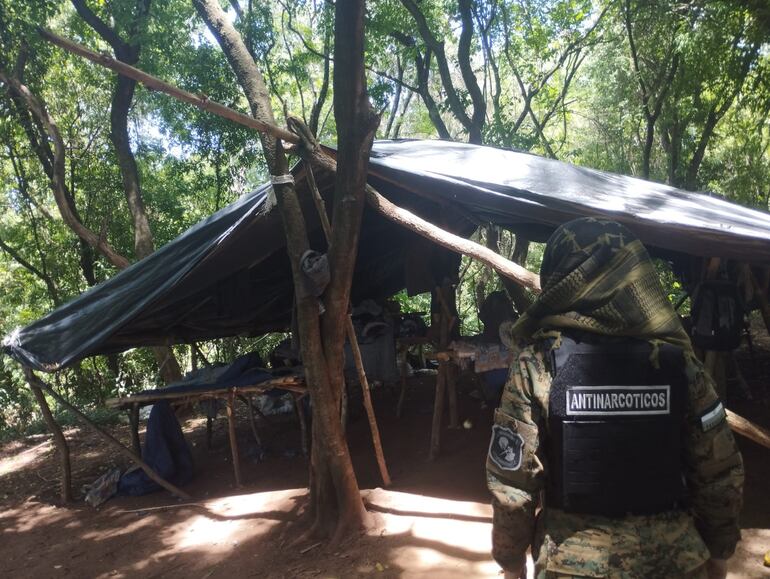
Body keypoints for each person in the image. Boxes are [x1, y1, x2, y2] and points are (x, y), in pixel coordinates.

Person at [486, 218, 744, 579]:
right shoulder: (680, 364)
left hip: (570, 566)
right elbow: (719, 471)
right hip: (677, 563)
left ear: (559, 276)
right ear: (633, 273)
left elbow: (513, 482)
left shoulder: (538, 363)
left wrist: (511, 561)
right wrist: (719, 552)